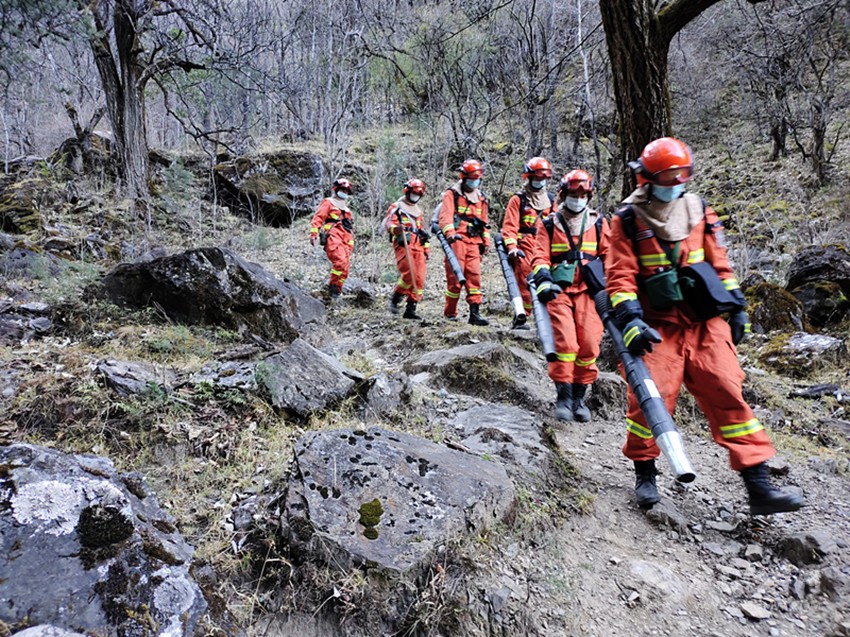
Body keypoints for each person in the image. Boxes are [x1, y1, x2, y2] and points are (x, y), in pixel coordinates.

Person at [606, 136, 804, 515]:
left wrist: (737, 307)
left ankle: (759, 487)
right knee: (650, 399)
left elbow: (720, 264)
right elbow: (620, 277)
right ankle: (645, 474)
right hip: (657, 326)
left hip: (704, 323)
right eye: (668, 177)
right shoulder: (628, 220)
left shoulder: (699, 210)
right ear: (647, 179)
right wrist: (631, 320)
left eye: (682, 175)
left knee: (727, 392)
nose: (676, 183)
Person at [531, 169, 609, 423]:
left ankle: (579, 397)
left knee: (589, 343)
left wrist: (611, 288)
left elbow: (610, 256)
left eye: (583, 195)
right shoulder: (549, 224)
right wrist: (544, 279)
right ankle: (563, 396)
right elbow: (540, 256)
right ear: (563, 195)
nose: (578, 199)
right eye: (574, 195)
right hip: (559, 290)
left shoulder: (598, 223)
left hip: (589, 291)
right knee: (565, 343)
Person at [501, 157, 557, 329]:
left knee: (549, 280)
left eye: (543, 178)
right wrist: (512, 247)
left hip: (546, 246)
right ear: (529, 177)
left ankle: (550, 319)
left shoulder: (551, 200)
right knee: (525, 281)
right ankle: (522, 317)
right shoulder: (518, 200)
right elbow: (509, 226)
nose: (540, 181)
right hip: (524, 245)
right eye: (537, 178)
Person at [437, 159, 491, 325]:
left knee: (474, 277)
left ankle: (474, 314)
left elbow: (484, 221)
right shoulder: (452, 194)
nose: (474, 182)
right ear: (464, 177)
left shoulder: (481, 197)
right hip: (457, 240)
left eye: (477, 179)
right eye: (472, 178)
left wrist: (486, 240)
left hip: (474, 241)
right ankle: (450, 312)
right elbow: (445, 217)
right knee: (455, 278)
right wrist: (450, 234)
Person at [384, 179, 430, 319]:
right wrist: (397, 229)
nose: (415, 196)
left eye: (418, 194)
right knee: (409, 274)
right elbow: (388, 224)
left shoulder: (418, 211)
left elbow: (422, 230)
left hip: (418, 245)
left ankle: (411, 308)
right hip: (404, 244)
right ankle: (396, 297)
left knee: (419, 277)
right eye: (414, 193)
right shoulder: (397, 207)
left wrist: (426, 248)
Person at [310, 178, 355, 300]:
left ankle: (336, 291)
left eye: (346, 191)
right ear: (336, 189)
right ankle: (332, 287)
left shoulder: (347, 210)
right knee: (340, 262)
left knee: (345, 267)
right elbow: (318, 218)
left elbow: (350, 227)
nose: (344, 192)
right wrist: (314, 234)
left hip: (346, 239)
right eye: (343, 190)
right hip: (334, 236)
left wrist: (351, 242)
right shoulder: (328, 202)